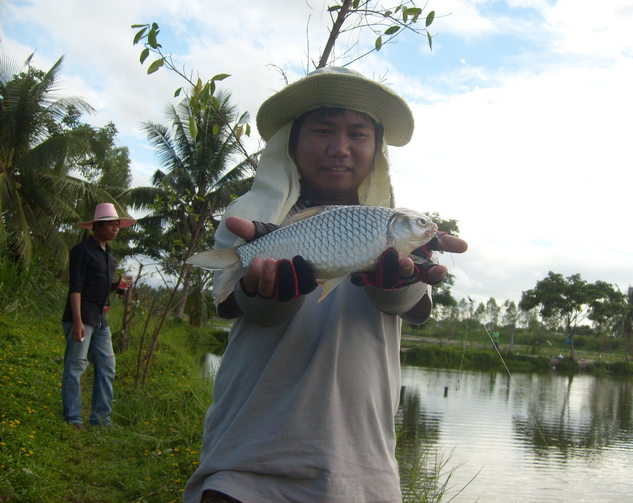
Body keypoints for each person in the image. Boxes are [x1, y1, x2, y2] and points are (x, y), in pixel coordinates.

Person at [183, 67, 467, 503]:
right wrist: (269, 297)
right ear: (292, 143)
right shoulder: (250, 215)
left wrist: (393, 285)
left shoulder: (391, 222)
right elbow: (230, 306)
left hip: (361, 463)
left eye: (357, 133)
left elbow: (416, 308)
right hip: (245, 461)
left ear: (376, 149)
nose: (340, 148)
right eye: (322, 131)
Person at [61, 202, 136, 429]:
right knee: (76, 366)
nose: (115, 229)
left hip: (101, 319)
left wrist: (118, 287)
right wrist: (77, 322)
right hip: (82, 317)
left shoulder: (108, 255)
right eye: (110, 225)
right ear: (97, 226)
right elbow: (76, 288)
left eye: (117, 225)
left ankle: (101, 419)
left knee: (107, 366)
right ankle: (73, 417)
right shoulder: (81, 251)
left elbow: (99, 286)